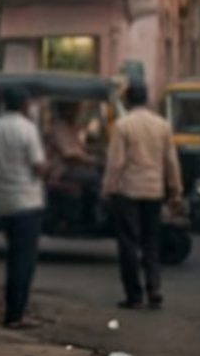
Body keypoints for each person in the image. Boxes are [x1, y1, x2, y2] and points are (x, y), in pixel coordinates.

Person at [101, 82, 182, 311]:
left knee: (128, 243)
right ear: (147, 99)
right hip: (154, 191)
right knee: (151, 242)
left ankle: (134, 295)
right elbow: (171, 161)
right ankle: (154, 288)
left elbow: (116, 162)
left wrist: (107, 188)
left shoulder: (123, 125)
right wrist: (175, 190)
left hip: (128, 191)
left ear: (127, 101)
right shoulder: (162, 125)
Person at [0, 86, 47, 329]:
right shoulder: (27, 129)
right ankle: (16, 314)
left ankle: (14, 311)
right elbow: (38, 166)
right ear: (25, 105)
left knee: (14, 258)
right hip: (27, 201)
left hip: (3, 201)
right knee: (23, 261)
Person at [44, 100, 102, 224]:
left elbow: (80, 149)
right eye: (74, 109)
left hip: (74, 167)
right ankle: (92, 217)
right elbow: (69, 154)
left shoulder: (71, 127)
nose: (77, 112)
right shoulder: (58, 128)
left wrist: (97, 153)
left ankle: (87, 216)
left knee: (95, 176)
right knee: (96, 178)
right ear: (65, 110)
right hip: (62, 170)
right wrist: (92, 160)